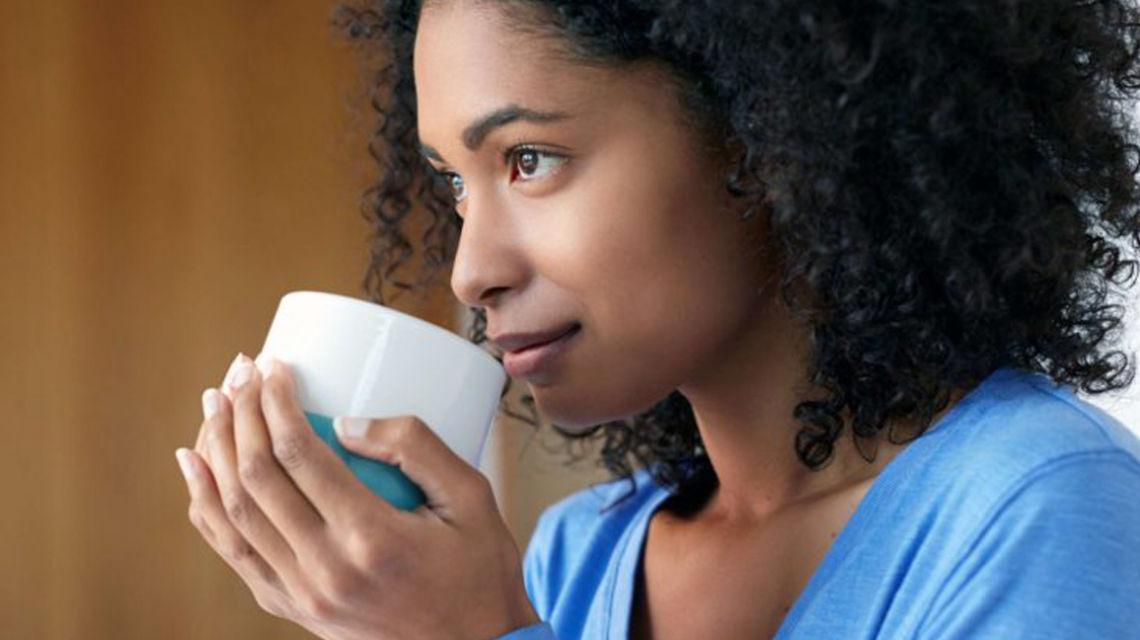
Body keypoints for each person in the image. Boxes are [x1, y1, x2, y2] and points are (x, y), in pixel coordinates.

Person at [175, 0, 1140, 638]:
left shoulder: (1045, 503)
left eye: (528, 160)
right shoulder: (578, 555)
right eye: (454, 186)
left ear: (764, 130)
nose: (471, 271)